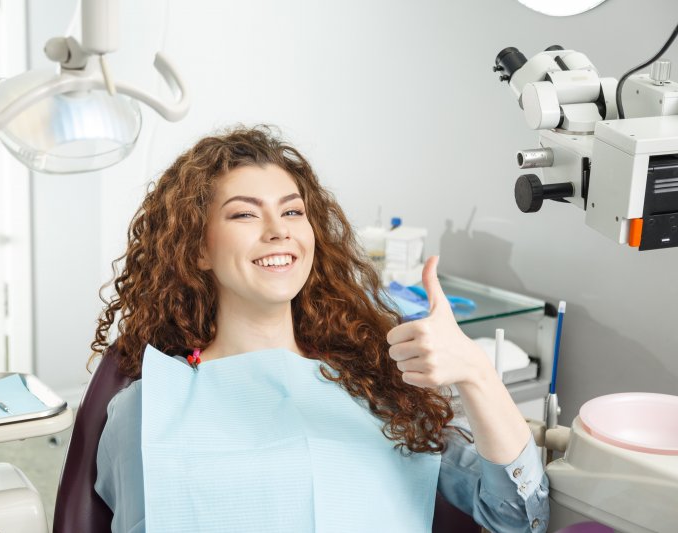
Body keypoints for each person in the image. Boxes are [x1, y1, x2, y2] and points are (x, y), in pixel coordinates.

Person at [92, 125, 549, 532]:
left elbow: (518, 517)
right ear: (198, 250)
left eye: (292, 212)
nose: (278, 231)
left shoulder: (378, 389)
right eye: (244, 214)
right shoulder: (149, 409)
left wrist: (475, 373)